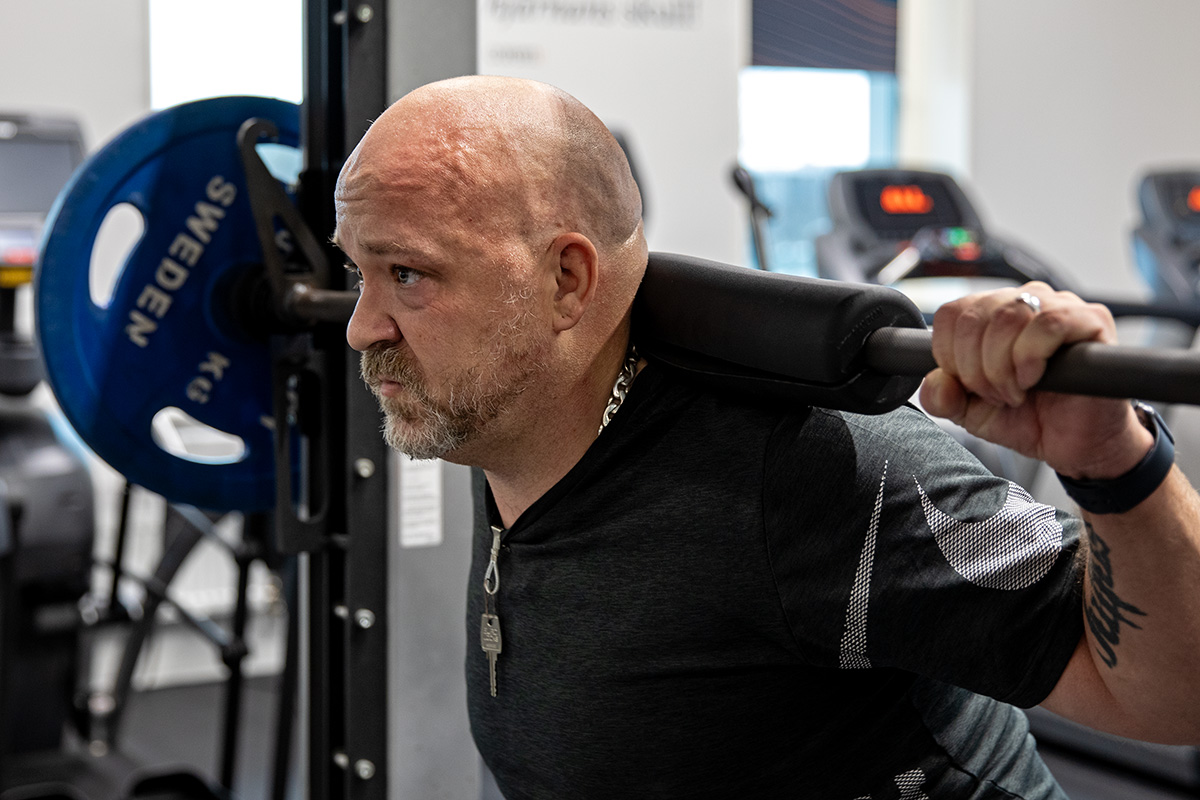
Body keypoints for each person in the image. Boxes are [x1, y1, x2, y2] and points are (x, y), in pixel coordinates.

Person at [334, 75, 1200, 799]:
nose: (361, 327)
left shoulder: (812, 473)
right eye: (358, 271)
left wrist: (1109, 460)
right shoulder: (490, 413)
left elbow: (1167, 695)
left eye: (407, 274)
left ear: (567, 281)